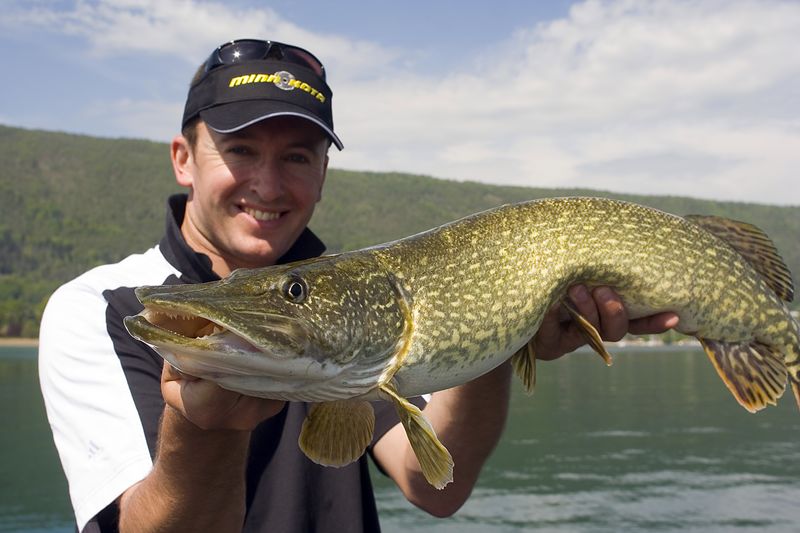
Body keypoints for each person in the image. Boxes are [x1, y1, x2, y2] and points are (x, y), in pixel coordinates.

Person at [38, 38, 678, 533]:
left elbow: (437, 488)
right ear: (184, 157)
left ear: (323, 170)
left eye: (296, 156)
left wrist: (498, 337)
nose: (267, 184)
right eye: (239, 150)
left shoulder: (354, 302)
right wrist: (204, 430)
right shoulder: (100, 308)